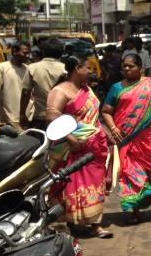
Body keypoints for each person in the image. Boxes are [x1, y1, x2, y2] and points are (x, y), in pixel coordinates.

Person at [101, 52, 151, 225]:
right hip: (127, 138)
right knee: (130, 173)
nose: (127, 69)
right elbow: (106, 111)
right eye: (124, 66)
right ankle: (134, 210)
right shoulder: (116, 88)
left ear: (141, 68)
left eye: (131, 66)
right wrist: (113, 128)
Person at [46, 56, 113, 239]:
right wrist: (71, 137)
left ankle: (95, 225)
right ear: (77, 68)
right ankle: (71, 223)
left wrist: (105, 131)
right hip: (73, 149)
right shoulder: (60, 91)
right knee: (71, 186)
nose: (91, 71)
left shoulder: (87, 89)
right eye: (88, 68)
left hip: (94, 148)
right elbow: (52, 116)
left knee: (96, 184)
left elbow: (93, 116)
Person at [21, 37, 66, 129]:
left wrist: (22, 114)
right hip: (62, 119)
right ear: (61, 53)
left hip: (41, 119)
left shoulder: (32, 68)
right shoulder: (67, 69)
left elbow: (26, 93)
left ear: (44, 52)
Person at [0, 40, 30, 128]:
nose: (28, 56)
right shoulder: (2, 68)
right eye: (25, 53)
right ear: (14, 51)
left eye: (29, 53)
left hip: (26, 118)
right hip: (9, 119)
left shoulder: (28, 69)